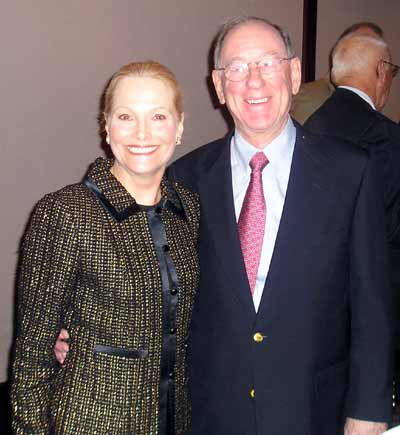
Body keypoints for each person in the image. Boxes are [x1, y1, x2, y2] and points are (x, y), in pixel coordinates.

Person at [56, 17, 393, 435]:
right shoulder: (182, 178)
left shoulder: (351, 171)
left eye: (268, 63)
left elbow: (372, 305)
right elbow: (145, 279)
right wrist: (80, 325)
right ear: (218, 85)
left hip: (315, 410)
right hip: (210, 412)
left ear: (292, 74)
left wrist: (369, 410)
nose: (254, 81)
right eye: (236, 68)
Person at [11, 60, 200, 435]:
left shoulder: (188, 208)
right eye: (126, 116)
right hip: (91, 420)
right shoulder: (65, 212)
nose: (142, 133)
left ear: (179, 126)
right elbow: (32, 355)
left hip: (174, 419)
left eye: (159, 116)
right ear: (107, 126)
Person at [304, 30, 400, 391]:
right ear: (381, 71)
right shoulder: (388, 138)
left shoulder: (307, 129)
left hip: (316, 310)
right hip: (376, 311)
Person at [290, 22, 384, 124]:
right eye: (361, 43)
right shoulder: (312, 98)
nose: (367, 51)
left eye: (374, 45)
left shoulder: (372, 103)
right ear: (342, 49)